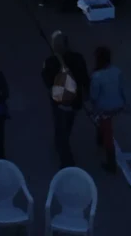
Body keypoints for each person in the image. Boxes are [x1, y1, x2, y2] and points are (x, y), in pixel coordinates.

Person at [43, 30, 89, 167]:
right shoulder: (79, 58)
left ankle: (67, 162)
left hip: (58, 102)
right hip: (75, 101)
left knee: (60, 126)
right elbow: (85, 80)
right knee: (68, 124)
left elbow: (46, 82)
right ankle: (62, 141)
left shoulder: (50, 62)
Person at [89, 46, 128, 172]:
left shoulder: (96, 76)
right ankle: (99, 137)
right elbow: (123, 89)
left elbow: (94, 96)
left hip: (105, 108)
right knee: (103, 123)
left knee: (107, 133)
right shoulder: (117, 71)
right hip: (118, 105)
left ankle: (111, 164)